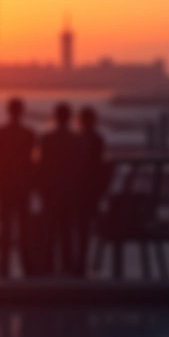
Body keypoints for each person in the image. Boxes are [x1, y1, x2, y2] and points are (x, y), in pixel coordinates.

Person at [36, 103, 81, 275]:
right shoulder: (77, 140)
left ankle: (48, 266)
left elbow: (41, 167)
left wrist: (41, 189)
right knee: (68, 231)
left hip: (51, 191)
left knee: (50, 231)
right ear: (69, 117)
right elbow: (81, 168)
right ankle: (68, 266)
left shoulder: (47, 139)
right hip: (70, 191)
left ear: (55, 116)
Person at [0, 97, 36, 277]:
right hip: (23, 186)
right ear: (22, 111)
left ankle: (4, 268)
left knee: (5, 228)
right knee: (24, 229)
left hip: (5, 185)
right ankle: (27, 266)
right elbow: (32, 162)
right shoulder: (29, 134)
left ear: (8, 111)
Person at [75, 107, 109, 278]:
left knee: (79, 227)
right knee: (85, 227)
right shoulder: (98, 139)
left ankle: (77, 263)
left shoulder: (79, 139)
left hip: (79, 189)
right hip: (92, 190)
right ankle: (82, 262)